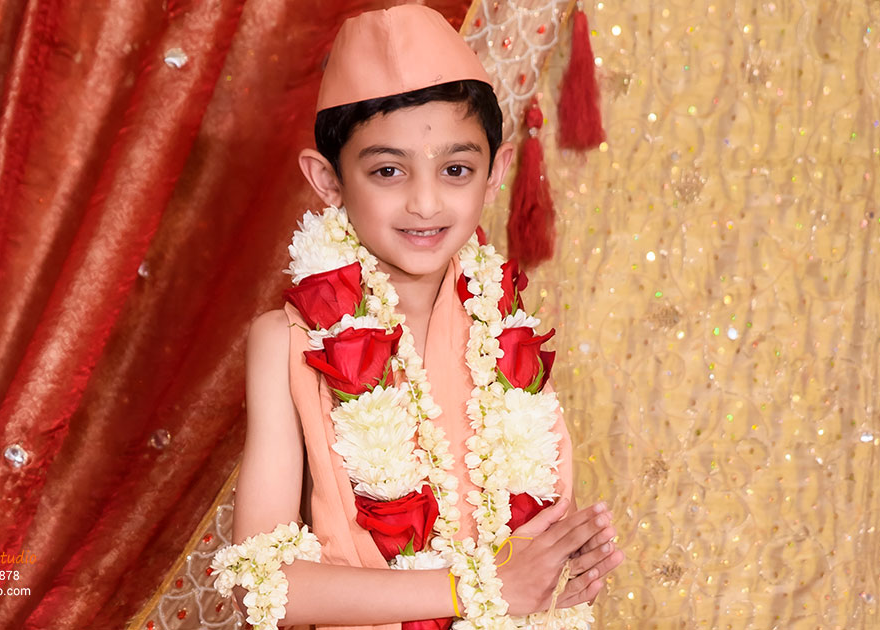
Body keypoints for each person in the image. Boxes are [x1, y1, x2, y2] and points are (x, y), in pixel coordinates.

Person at [216, 6, 624, 629]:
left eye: (455, 169)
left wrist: (559, 569)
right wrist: (477, 591)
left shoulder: (504, 331)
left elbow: (521, 558)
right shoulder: (287, 344)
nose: (426, 202)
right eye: (387, 171)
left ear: (496, 174)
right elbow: (261, 585)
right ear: (327, 180)